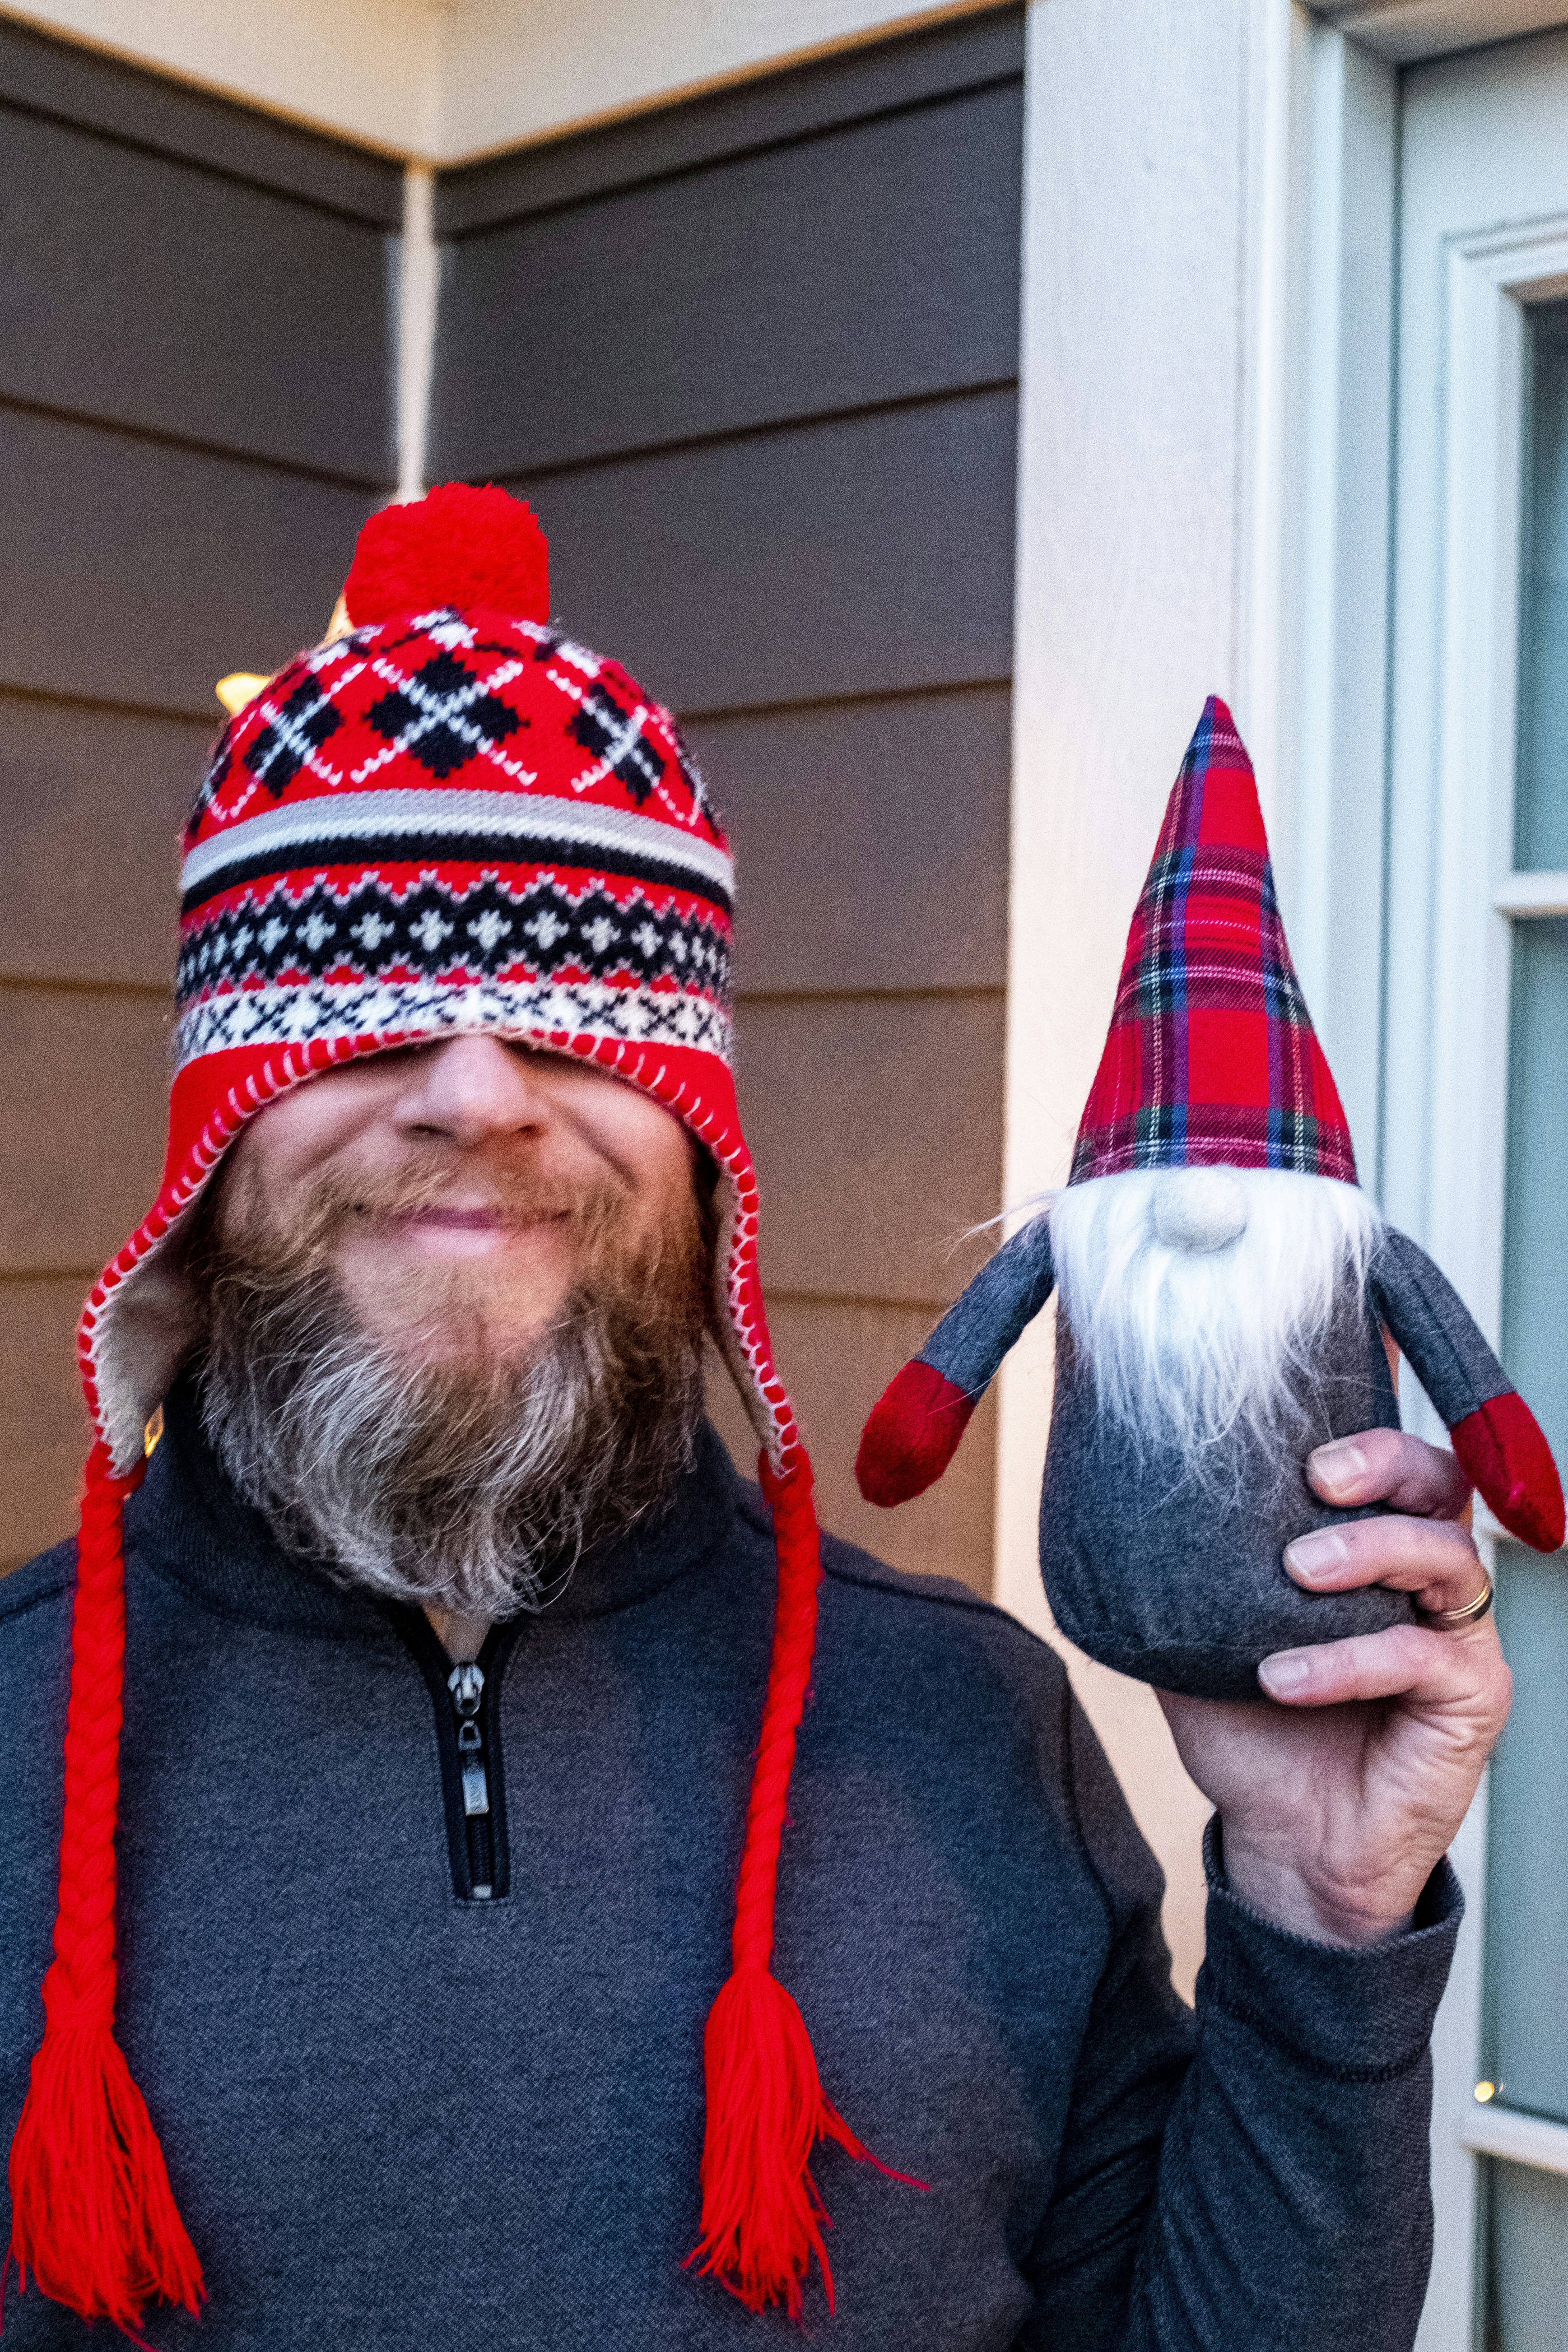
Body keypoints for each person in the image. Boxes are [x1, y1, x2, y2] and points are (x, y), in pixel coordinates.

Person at [0, 486, 1508, 2349]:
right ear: (208, 1144)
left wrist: (1316, 1905)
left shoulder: (972, 1727)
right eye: (365, 1015)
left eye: (572, 1019)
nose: (477, 1091)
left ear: (700, 1146)